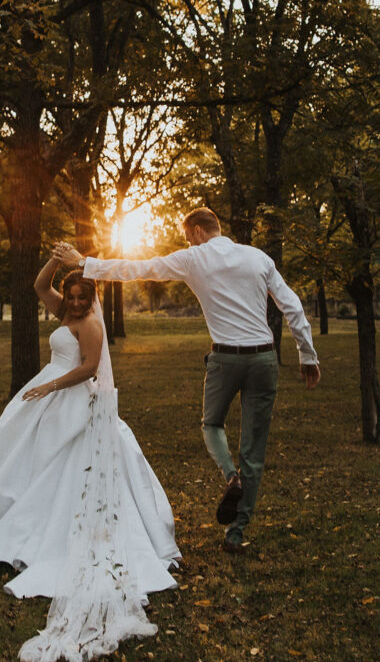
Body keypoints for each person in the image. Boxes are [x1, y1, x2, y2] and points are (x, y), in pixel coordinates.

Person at [0, 257, 179, 662]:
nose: (73, 303)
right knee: (7, 457)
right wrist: (57, 260)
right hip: (47, 393)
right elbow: (39, 286)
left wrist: (52, 385)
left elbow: (90, 367)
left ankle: (32, 532)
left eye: (80, 297)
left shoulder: (89, 323)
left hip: (68, 397)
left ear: (92, 298)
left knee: (59, 465)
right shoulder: (63, 309)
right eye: (70, 297)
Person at [54, 206, 320, 556]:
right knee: (254, 450)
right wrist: (307, 353)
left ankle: (230, 477)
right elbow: (291, 305)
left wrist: (85, 263)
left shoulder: (194, 258)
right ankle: (236, 534)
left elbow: (138, 269)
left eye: (186, 236)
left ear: (195, 231)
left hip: (226, 359)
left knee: (211, 424)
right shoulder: (258, 257)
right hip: (264, 359)